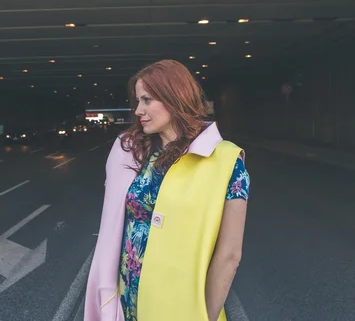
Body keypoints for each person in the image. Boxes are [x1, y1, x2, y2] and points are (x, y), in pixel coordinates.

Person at [84, 59, 250, 321]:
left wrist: (204, 315)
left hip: (179, 306)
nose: (139, 110)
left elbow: (229, 255)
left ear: (175, 98)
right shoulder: (131, 153)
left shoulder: (227, 162)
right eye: (138, 101)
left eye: (147, 100)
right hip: (127, 295)